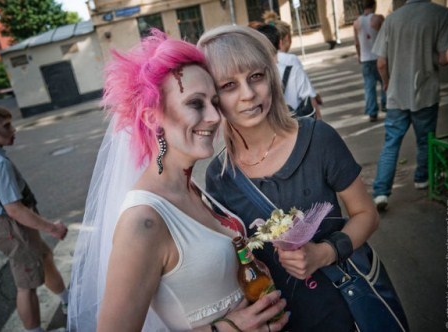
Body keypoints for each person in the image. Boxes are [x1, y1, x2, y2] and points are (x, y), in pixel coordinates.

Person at [67, 30, 289, 332]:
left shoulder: (190, 187)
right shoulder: (143, 222)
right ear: (151, 119)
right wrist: (226, 329)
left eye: (214, 101)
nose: (214, 116)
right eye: (195, 104)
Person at [198, 25, 380, 331]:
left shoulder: (318, 138)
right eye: (229, 85)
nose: (248, 94)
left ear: (271, 76)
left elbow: (367, 214)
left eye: (256, 76)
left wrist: (325, 253)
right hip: (279, 321)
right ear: (213, 97)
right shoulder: (220, 176)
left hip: (342, 308)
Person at [0, 104, 69, 332]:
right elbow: (15, 210)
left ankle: (67, 299)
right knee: (26, 284)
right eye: (6, 126)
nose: (13, 130)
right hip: (12, 227)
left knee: (44, 256)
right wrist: (52, 228)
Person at [371, 0, 448, 211]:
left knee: (391, 143)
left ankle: (381, 193)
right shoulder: (442, 14)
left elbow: (380, 63)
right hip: (425, 92)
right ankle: (422, 179)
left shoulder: (391, 20)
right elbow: (445, 58)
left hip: (397, 94)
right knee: (425, 140)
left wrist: (387, 82)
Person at [256, 23, 322, 119]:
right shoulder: (295, 71)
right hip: (296, 126)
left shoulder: (255, 77)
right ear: (280, 43)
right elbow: (311, 102)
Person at [353, 0, 386, 122]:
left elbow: (357, 43)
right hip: (379, 56)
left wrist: (359, 56)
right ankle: (386, 105)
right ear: (374, 5)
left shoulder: (356, 23)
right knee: (384, 82)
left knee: (369, 86)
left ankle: (372, 112)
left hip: (366, 59)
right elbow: (386, 37)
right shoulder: (379, 19)